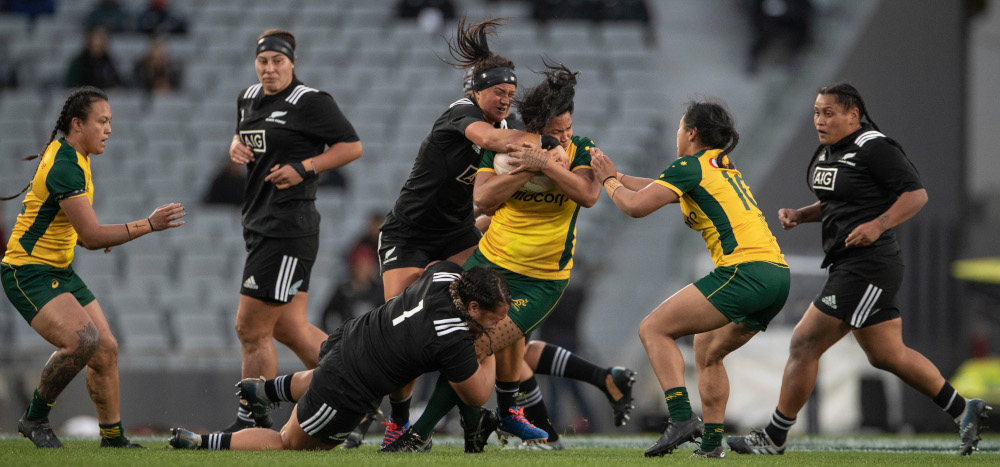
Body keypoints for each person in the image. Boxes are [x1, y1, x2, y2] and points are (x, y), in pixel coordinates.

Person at [726, 83, 992, 457]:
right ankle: (964, 409)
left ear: (853, 115)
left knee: (803, 342)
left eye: (828, 113)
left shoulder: (875, 147)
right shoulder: (828, 150)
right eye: (817, 112)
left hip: (869, 266)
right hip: (849, 263)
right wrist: (801, 215)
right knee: (887, 354)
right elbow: (838, 199)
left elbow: (916, 195)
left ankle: (774, 436)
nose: (819, 120)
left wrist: (878, 225)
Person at [389, 62, 635, 452]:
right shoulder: (505, 151)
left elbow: (588, 196)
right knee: (445, 340)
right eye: (555, 133)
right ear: (533, 132)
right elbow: (482, 198)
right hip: (485, 265)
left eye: (568, 130)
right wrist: (527, 168)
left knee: (476, 348)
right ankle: (495, 426)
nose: (563, 139)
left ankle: (420, 433)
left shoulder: (583, 149)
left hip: (539, 280)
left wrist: (549, 167)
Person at [374, 16, 546, 449]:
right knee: (400, 328)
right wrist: (551, 141)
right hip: (408, 235)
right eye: (498, 93)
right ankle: (398, 420)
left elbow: (493, 185)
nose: (505, 100)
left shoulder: (506, 129)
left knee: (499, 305)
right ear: (476, 91)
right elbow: (493, 140)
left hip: (456, 232)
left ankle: (508, 409)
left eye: (511, 94)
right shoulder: (462, 114)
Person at [591, 99, 790, 458]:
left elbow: (635, 206)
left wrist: (606, 180)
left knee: (653, 329)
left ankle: (682, 418)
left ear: (692, 132)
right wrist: (615, 175)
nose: (677, 134)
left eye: (680, 127)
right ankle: (712, 445)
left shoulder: (688, 165)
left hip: (745, 271)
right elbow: (653, 186)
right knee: (707, 349)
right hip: (775, 276)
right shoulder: (719, 165)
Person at [0, 86, 185, 448]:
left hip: (57, 270)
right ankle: (34, 418)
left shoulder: (76, 157)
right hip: (27, 272)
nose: (109, 129)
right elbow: (91, 234)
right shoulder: (66, 165)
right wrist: (148, 224)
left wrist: (96, 239)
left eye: (110, 122)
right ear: (77, 124)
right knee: (82, 341)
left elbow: (81, 235)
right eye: (102, 121)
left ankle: (114, 440)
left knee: (106, 349)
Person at [169, 263, 509, 451]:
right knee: (290, 444)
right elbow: (478, 394)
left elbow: (426, 268)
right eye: (494, 320)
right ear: (474, 306)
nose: (496, 326)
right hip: (349, 388)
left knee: (324, 375)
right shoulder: (454, 339)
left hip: (350, 337)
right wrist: (493, 346)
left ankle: (267, 390)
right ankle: (203, 443)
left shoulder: (446, 275)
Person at [221, 28, 363, 432]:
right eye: (263, 61)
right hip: (258, 221)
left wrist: (305, 167)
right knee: (289, 327)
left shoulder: (310, 101)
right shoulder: (248, 97)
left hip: (288, 228)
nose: (269, 68)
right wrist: (235, 144)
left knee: (250, 327)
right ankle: (358, 393)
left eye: (277, 61)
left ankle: (253, 421)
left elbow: (351, 146)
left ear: (292, 63)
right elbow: (247, 135)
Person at [319, 246, 383, 333]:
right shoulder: (344, 291)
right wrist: (332, 336)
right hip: (349, 339)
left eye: (368, 265)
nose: (365, 270)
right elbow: (326, 315)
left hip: (372, 339)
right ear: (354, 267)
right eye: (361, 266)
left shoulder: (379, 291)